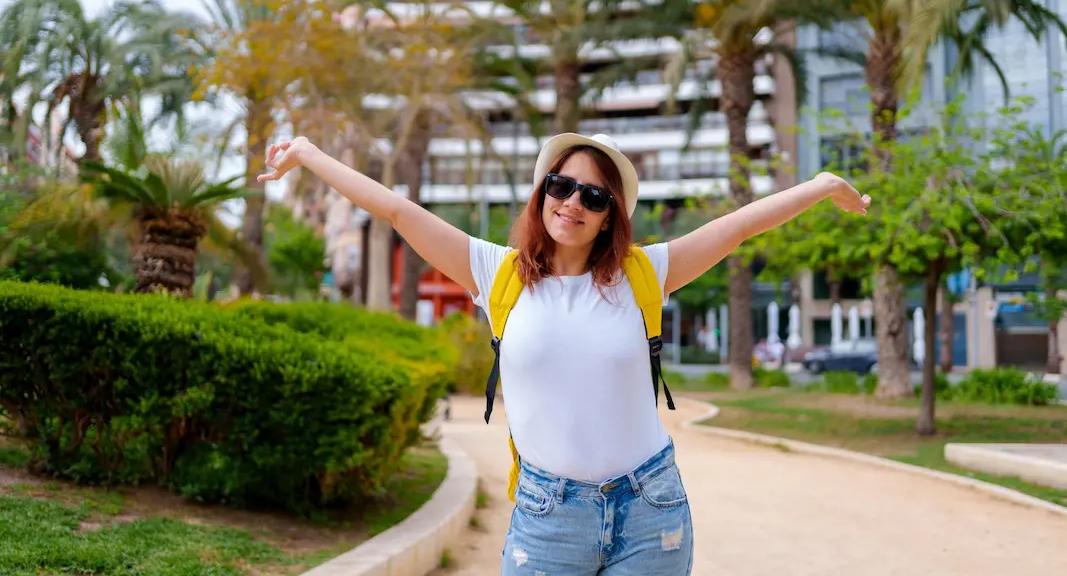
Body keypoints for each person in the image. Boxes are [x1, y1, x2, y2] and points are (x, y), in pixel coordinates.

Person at [259, 132, 870, 576]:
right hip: (548, 513)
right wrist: (309, 154)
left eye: (594, 197)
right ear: (542, 192)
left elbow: (735, 228)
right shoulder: (495, 272)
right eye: (561, 185)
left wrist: (819, 187)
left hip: (649, 507)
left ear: (610, 218)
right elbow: (395, 209)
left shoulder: (644, 274)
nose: (573, 202)